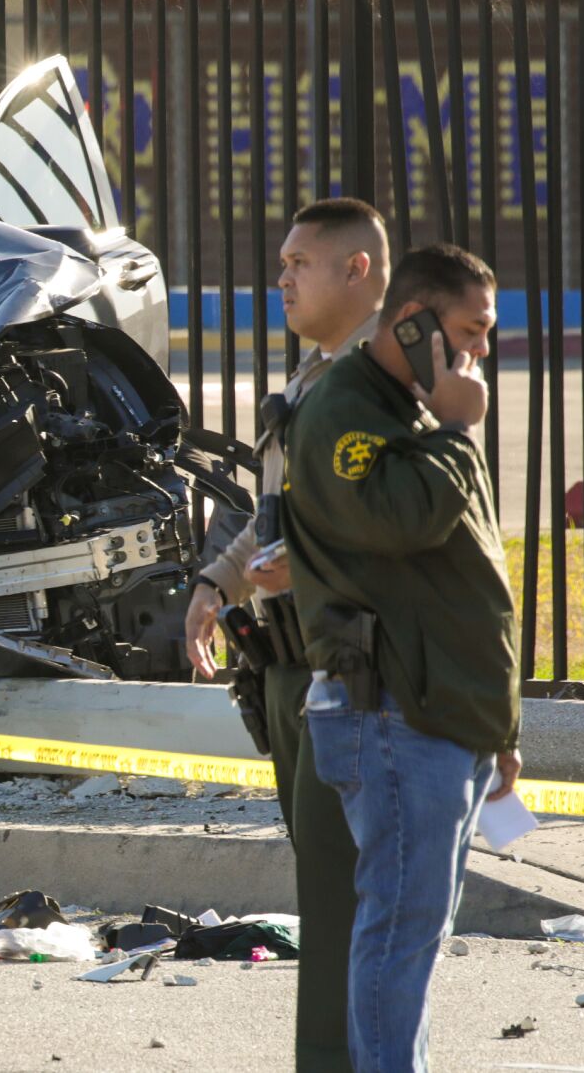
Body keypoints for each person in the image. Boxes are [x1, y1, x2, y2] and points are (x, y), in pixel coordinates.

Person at [281, 242, 522, 1072]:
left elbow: (465, 577)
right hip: (389, 714)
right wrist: (458, 430)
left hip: (436, 713)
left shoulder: (414, 408)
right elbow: (399, 520)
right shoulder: (348, 408)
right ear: (415, 323)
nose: (482, 351)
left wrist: (495, 725)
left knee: (415, 935)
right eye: (471, 329)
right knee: (397, 932)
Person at [183, 197, 387, 1072]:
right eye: (282, 264)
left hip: (346, 669)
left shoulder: (384, 384)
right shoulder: (309, 380)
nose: (283, 279)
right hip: (285, 669)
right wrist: (215, 582)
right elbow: (272, 515)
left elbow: (393, 524)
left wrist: (299, 568)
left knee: (344, 900)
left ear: (358, 270)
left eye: (301, 263)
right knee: (321, 886)